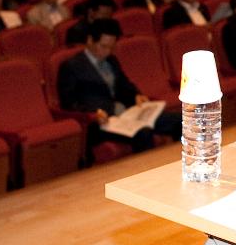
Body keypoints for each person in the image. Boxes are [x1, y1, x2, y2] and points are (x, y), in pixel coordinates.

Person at [56, 18, 177, 156]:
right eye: (103, 46)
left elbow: (125, 85)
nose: (107, 52)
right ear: (90, 41)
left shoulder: (111, 60)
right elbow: (69, 104)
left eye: (111, 47)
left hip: (127, 114)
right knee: (143, 133)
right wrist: (94, 114)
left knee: (179, 121)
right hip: (101, 122)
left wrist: (136, 95)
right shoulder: (71, 66)